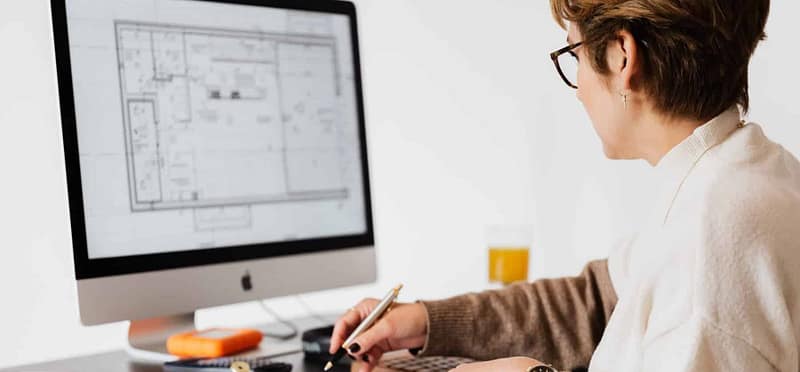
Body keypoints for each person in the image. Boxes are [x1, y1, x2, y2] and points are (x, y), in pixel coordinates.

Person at [331, 0, 800, 371]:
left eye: (573, 54)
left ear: (621, 54)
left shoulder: (711, 240)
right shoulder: (737, 176)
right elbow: (594, 303)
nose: (577, 87)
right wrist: (428, 321)